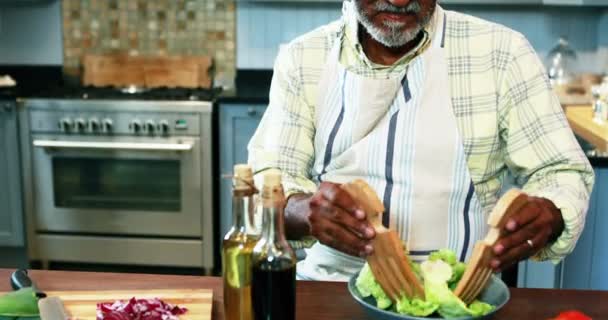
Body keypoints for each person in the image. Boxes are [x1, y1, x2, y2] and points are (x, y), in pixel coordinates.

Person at [248, 0, 594, 281]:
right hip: (332, 290)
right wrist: (303, 210)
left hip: (461, 296)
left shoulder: (502, 53)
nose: (399, 1)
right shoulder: (303, 57)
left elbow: (562, 172)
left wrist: (550, 212)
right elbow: (270, 180)